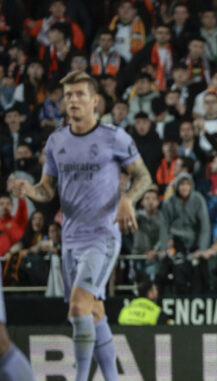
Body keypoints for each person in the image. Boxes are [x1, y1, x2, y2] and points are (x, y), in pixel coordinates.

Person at [16, 71, 152, 381]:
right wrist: (28, 190)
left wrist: (128, 199)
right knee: (94, 311)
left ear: (95, 101)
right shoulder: (56, 141)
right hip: (72, 238)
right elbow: (47, 190)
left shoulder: (114, 137)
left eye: (79, 94)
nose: (73, 100)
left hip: (103, 236)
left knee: (78, 307)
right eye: (68, 95)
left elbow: (144, 177)